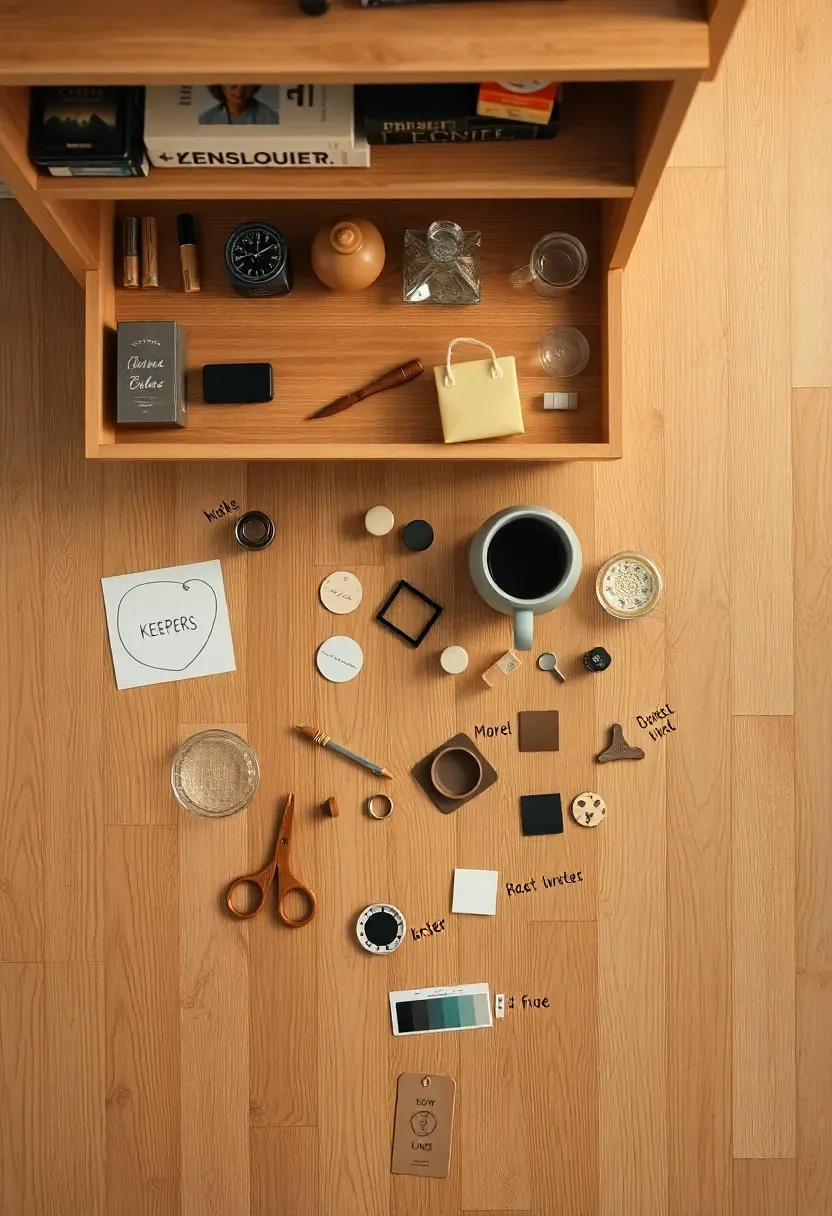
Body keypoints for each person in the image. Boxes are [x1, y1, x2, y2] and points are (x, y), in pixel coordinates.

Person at [199, 86, 278, 126]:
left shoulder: (272, 119)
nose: (239, 90)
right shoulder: (205, 120)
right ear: (220, 85)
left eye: (245, 83)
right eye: (233, 83)